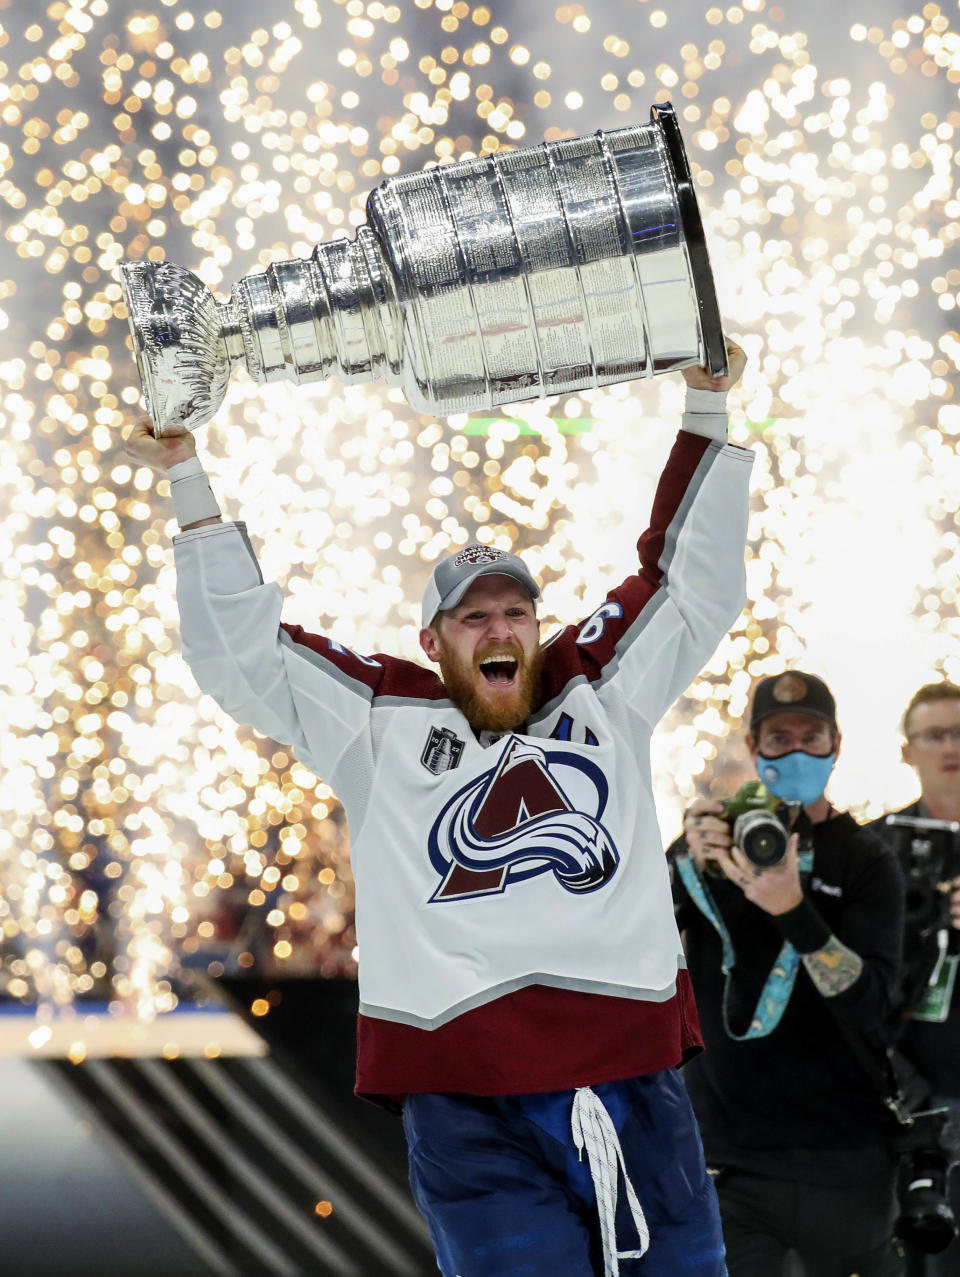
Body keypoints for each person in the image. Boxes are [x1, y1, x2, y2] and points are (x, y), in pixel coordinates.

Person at [125, 338, 754, 1277]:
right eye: (475, 616)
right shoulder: (378, 716)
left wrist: (706, 403)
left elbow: (689, 584)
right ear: (434, 638)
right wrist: (183, 466)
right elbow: (242, 655)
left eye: (516, 613)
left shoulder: (600, 688)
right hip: (469, 1102)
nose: (501, 629)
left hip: (633, 1072)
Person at [672, 670, 906, 1277]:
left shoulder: (866, 860)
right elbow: (632, 945)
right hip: (729, 1155)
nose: (797, 749)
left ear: (836, 745)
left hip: (846, 1157)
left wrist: (793, 912)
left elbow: (874, 1007)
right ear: (753, 748)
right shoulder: (711, 847)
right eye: (779, 737)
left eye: (812, 735)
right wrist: (680, 866)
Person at [868, 681, 960, 1276]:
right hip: (911, 1096)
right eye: (935, 735)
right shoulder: (875, 849)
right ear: (908, 751)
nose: (950, 746)